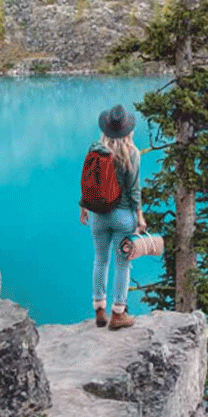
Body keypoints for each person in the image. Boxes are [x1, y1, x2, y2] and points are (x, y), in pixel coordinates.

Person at [80, 104, 146, 330]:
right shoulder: (132, 154)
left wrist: (84, 206)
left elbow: (88, 181)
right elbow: (134, 190)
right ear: (128, 130)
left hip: (98, 215)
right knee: (122, 264)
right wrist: (140, 217)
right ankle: (118, 313)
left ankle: (99, 309)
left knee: (100, 260)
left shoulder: (95, 150)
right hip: (123, 217)